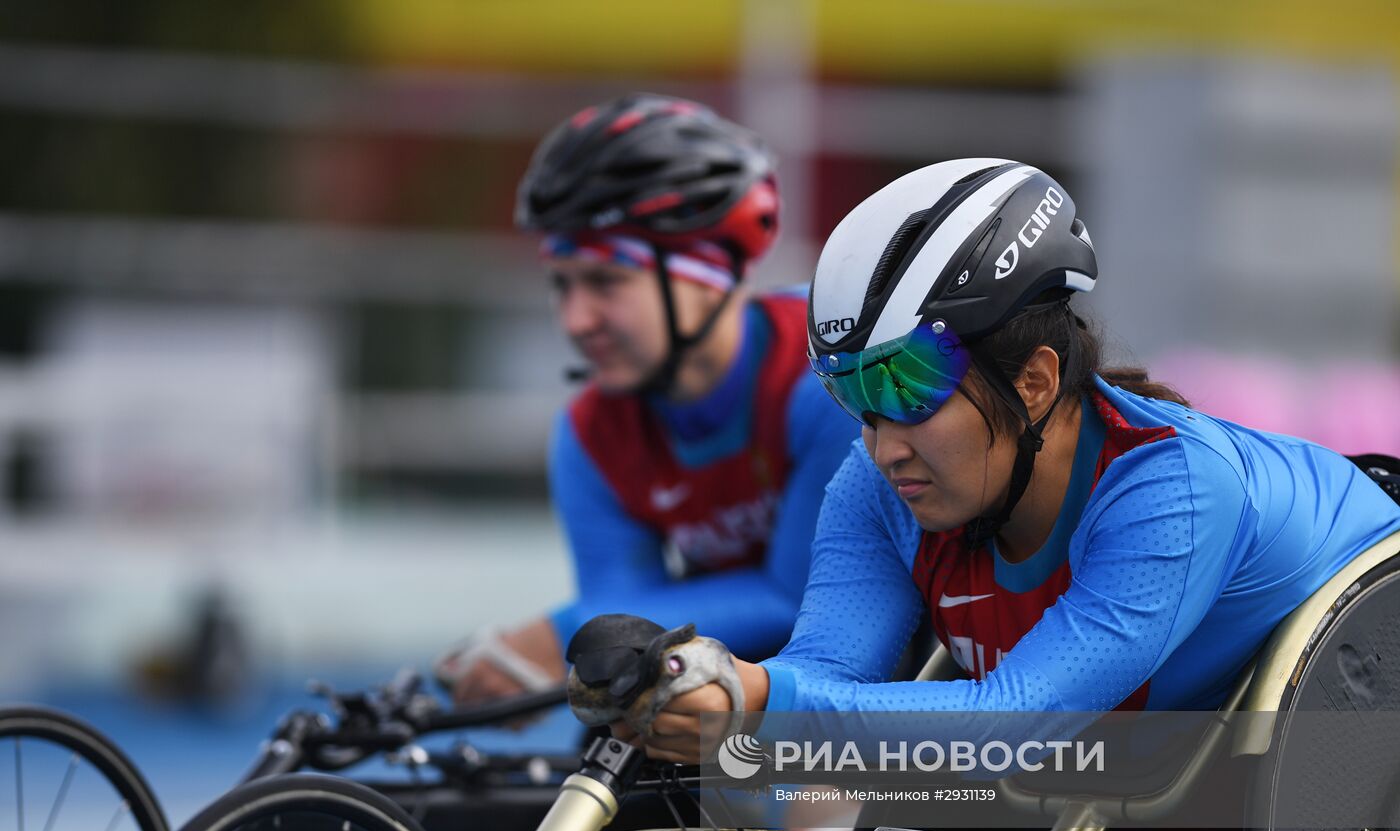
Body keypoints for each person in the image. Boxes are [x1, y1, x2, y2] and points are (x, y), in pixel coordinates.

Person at [618, 157, 1400, 761]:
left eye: (909, 385)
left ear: (1034, 383)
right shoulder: (883, 476)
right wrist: (704, 691)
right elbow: (826, 670)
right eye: (854, 394)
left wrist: (758, 701)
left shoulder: (1177, 489)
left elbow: (1019, 718)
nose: (883, 445)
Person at [435, 94, 857, 705]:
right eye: (563, 284)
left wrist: (558, 639)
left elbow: (803, 601)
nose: (576, 320)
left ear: (704, 271)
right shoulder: (589, 437)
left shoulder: (829, 374)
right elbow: (623, 619)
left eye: (606, 281)